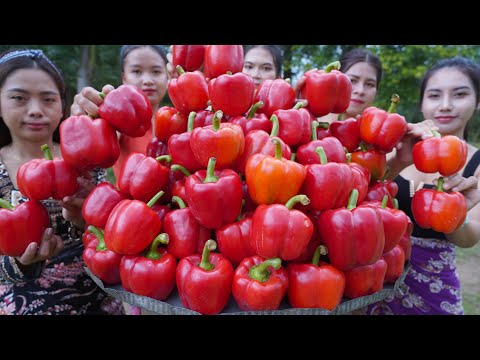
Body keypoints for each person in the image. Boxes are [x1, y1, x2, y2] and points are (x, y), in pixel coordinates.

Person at [0, 48, 123, 314]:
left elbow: (118, 236)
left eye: (48, 99)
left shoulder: (85, 159)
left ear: (62, 104)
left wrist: (87, 222)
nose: (35, 110)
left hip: (98, 302)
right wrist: (22, 263)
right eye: (19, 98)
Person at [364, 56, 480, 315]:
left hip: (433, 285)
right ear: (423, 102)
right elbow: (365, 198)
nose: (446, 105)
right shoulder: (407, 148)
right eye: (435, 95)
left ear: (477, 100)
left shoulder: (477, 163)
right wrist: (399, 161)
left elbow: (470, 238)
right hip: (377, 278)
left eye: (460, 94)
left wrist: (457, 215)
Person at [71, 45, 169, 184]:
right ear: (124, 78)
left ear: (167, 76)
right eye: (136, 71)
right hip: (128, 205)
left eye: (156, 71)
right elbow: (92, 156)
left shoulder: (180, 120)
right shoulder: (117, 123)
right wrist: (84, 123)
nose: (147, 80)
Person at [294, 47, 383, 123]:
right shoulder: (310, 122)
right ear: (336, 83)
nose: (360, 90)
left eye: (369, 84)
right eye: (352, 80)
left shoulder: (390, 135)